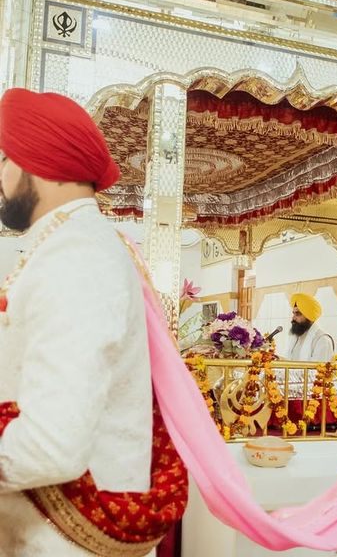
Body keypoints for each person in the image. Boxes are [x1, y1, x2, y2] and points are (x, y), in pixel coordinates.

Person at [0, 88, 187, 556]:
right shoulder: (70, 245)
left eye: (4, 159)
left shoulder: (77, 257)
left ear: (37, 160)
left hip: (61, 540)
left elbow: (50, 447)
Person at [287, 293, 334, 362]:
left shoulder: (322, 340)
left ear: (309, 317)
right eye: (293, 313)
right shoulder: (297, 337)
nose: (293, 318)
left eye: (298, 314)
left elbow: (319, 370)